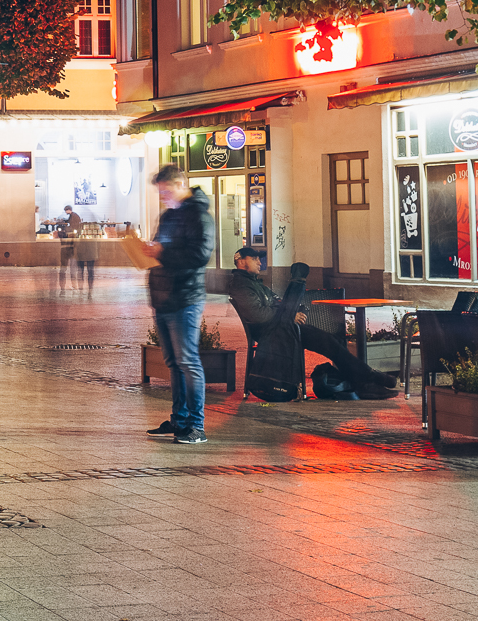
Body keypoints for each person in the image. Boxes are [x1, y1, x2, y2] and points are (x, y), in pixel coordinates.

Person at [229, 248, 397, 398]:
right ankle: (368, 379)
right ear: (241, 261)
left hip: (283, 328)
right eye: (255, 258)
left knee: (333, 341)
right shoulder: (241, 285)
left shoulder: (255, 284)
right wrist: (288, 317)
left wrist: (295, 312)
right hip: (274, 333)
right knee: (330, 342)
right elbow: (258, 315)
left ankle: (365, 382)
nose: (260, 262)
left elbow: (279, 303)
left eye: (260, 258)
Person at [148, 164, 213, 443]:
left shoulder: (199, 215)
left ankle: (196, 426)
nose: (163, 196)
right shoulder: (168, 216)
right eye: (160, 192)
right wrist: (149, 251)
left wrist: (163, 252)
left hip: (185, 297)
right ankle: (180, 420)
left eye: (166, 191)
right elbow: (161, 248)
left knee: (188, 362)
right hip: (163, 296)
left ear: (181, 185)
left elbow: (199, 254)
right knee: (174, 363)